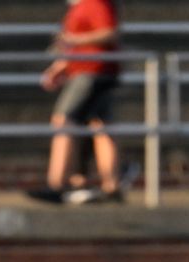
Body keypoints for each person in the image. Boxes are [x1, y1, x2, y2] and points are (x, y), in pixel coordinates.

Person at [30, 0, 123, 205]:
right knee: (101, 126)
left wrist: (74, 39)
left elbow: (109, 33)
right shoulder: (79, 7)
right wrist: (60, 66)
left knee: (63, 120)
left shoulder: (95, 3)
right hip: (89, 70)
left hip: (91, 71)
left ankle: (58, 184)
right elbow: (73, 46)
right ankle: (112, 185)